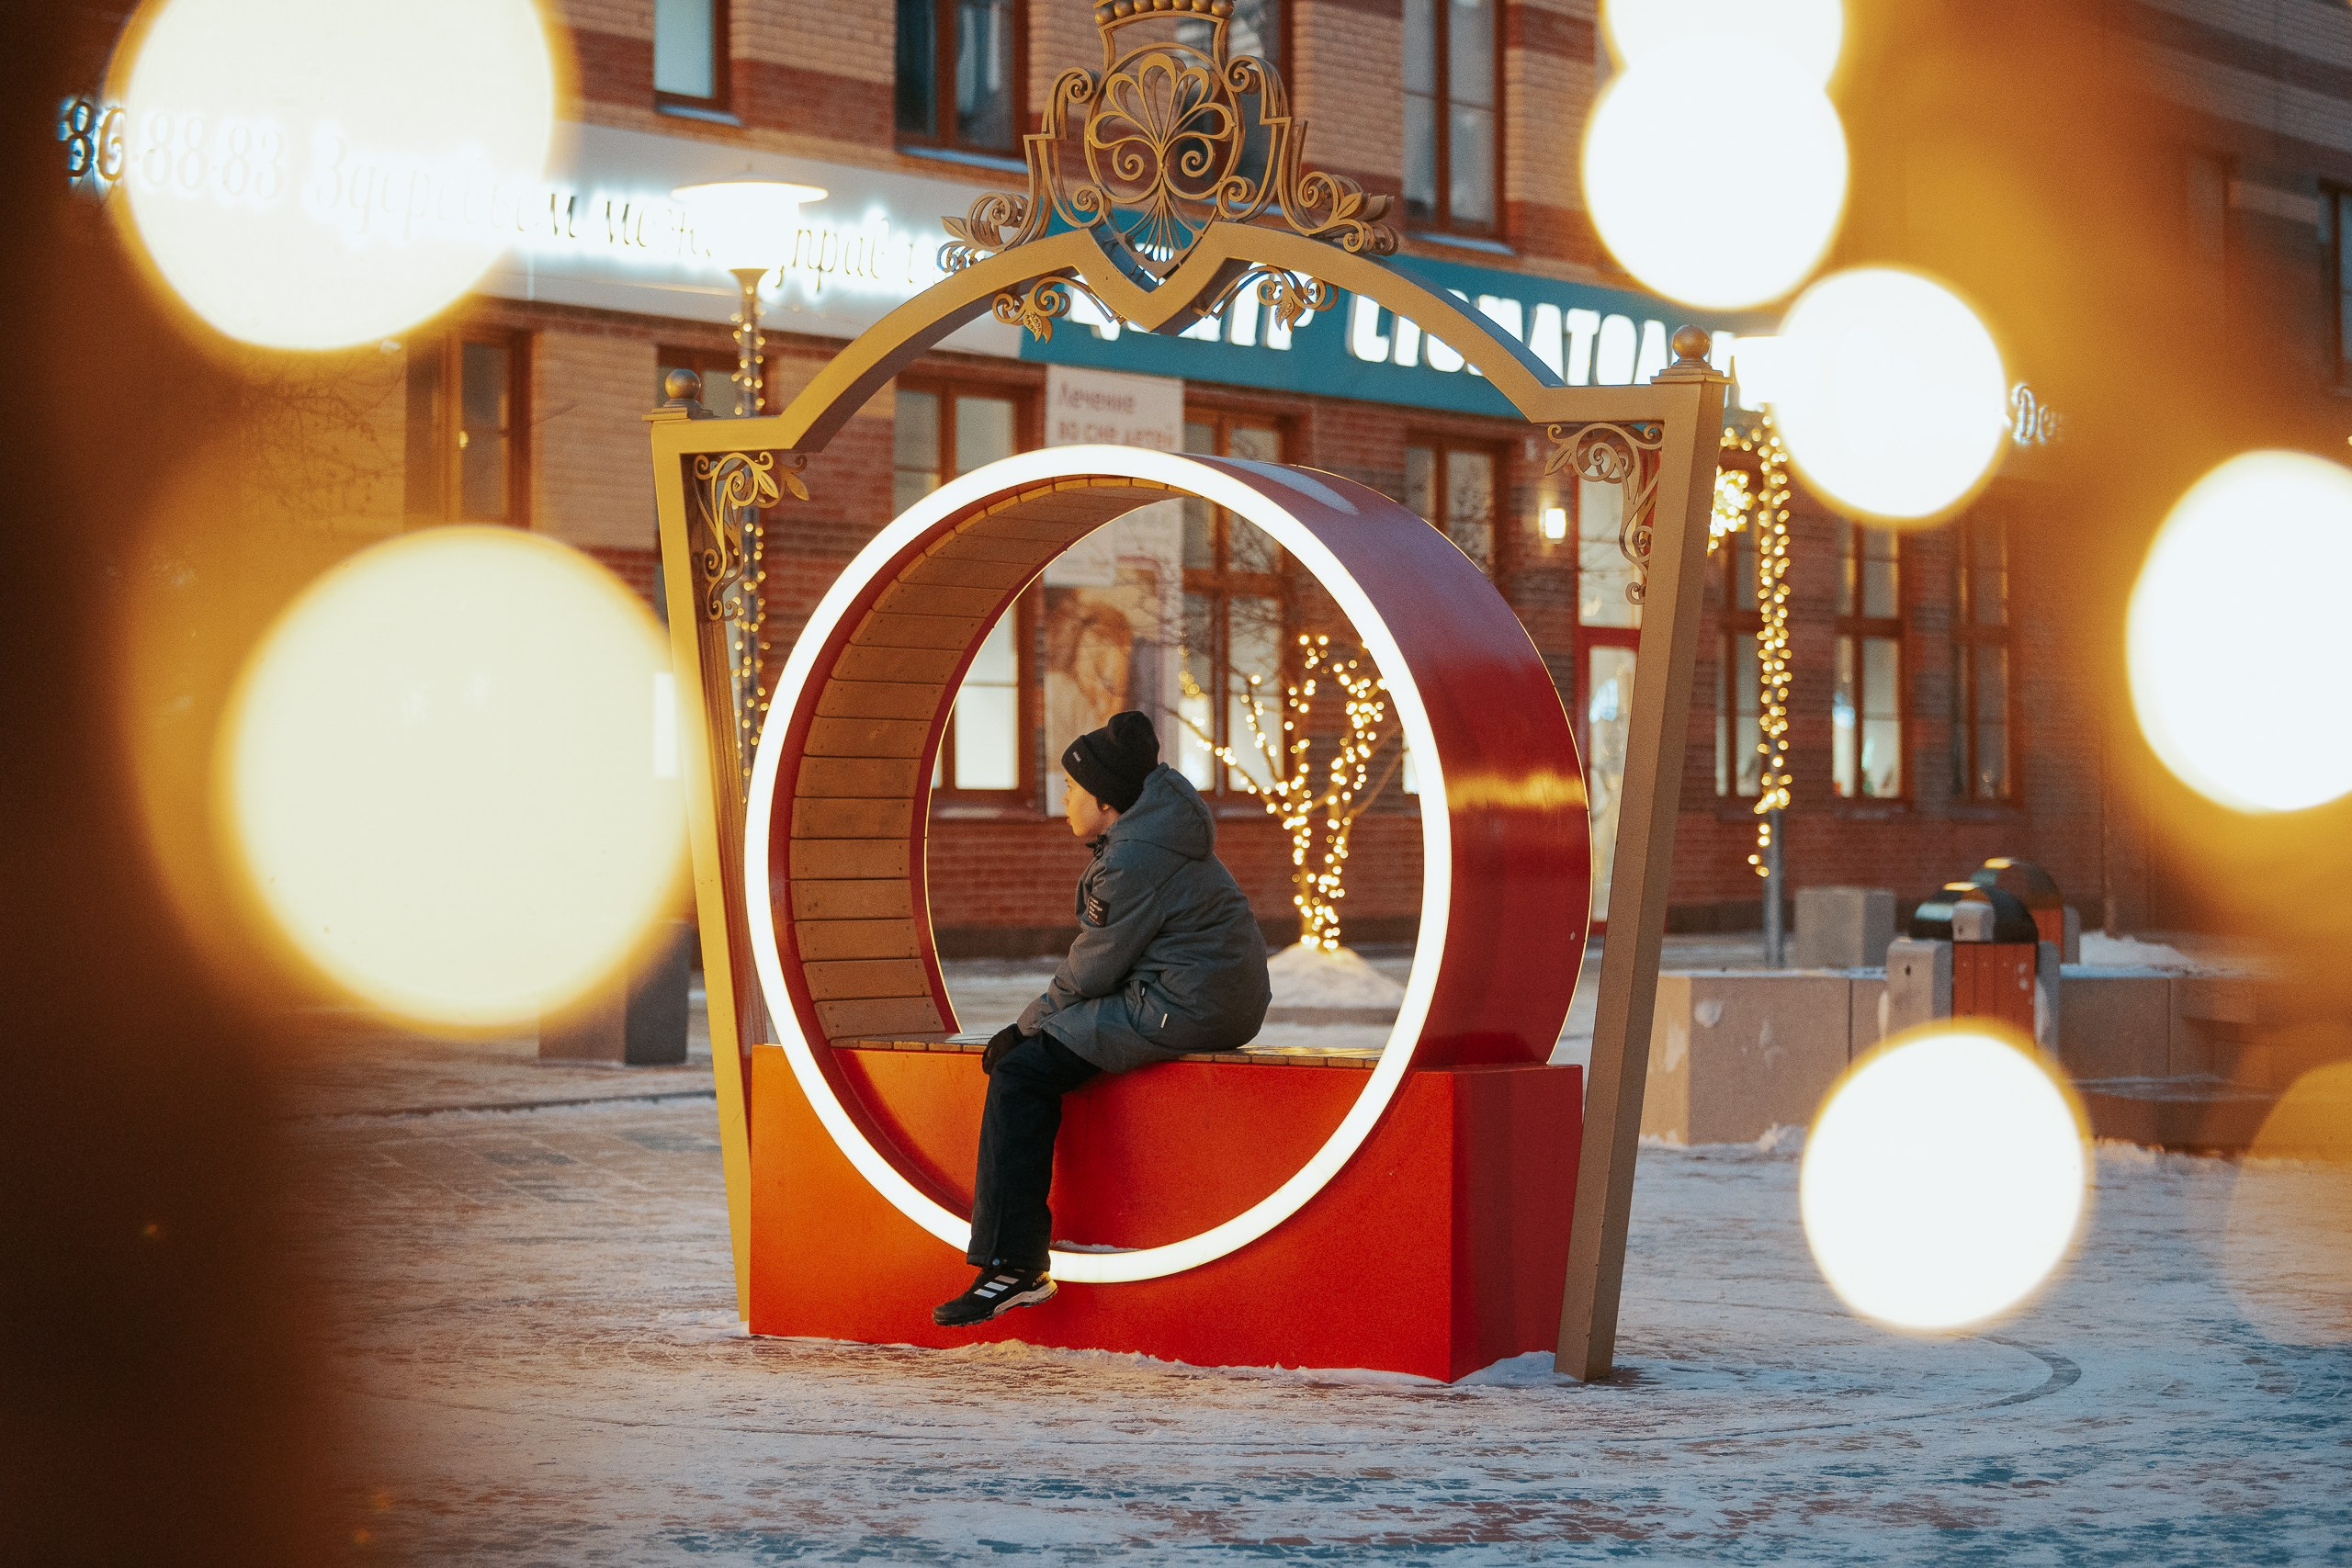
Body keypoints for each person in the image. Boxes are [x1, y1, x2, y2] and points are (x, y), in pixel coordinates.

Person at [933, 710, 1272, 1327]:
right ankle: (1013, 1260)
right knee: (1049, 1044)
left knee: (1023, 1072)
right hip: (1200, 995)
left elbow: (1090, 971)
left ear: (1108, 801)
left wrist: (1024, 1028)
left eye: (1071, 788)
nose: (1063, 798)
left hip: (1188, 1005)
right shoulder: (1152, 834)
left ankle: (1013, 1265)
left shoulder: (1136, 858)